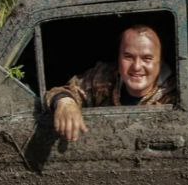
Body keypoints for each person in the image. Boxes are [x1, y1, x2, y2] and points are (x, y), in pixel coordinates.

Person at [46, 25, 176, 143]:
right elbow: (63, 90)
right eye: (128, 57)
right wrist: (65, 102)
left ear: (160, 61)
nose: (136, 67)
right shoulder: (103, 78)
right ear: (118, 58)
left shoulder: (177, 93)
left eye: (147, 58)